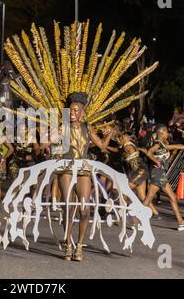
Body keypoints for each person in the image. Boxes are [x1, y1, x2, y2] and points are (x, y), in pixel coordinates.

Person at [55, 92, 113, 262]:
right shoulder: (62, 126)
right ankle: (68, 243)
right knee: (68, 207)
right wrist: (55, 136)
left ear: (82, 112)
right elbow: (51, 147)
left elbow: (102, 146)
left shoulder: (87, 128)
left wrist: (110, 132)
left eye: (75, 110)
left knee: (85, 209)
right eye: (70, 110)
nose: (72, 113)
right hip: (66, 167)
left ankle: (79, 245)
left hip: (83, 169)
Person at [143, 124, 184, 231]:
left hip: (160, 174)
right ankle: (135, 216)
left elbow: (177, 146)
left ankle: (181, 222)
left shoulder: (162, 144)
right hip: (157, 174)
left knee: (172, 197)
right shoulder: (158, 144)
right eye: (167, 132)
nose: (168, 134)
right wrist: (156, 161)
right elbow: (149, 153)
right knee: (147, 200)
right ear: (162, 132)